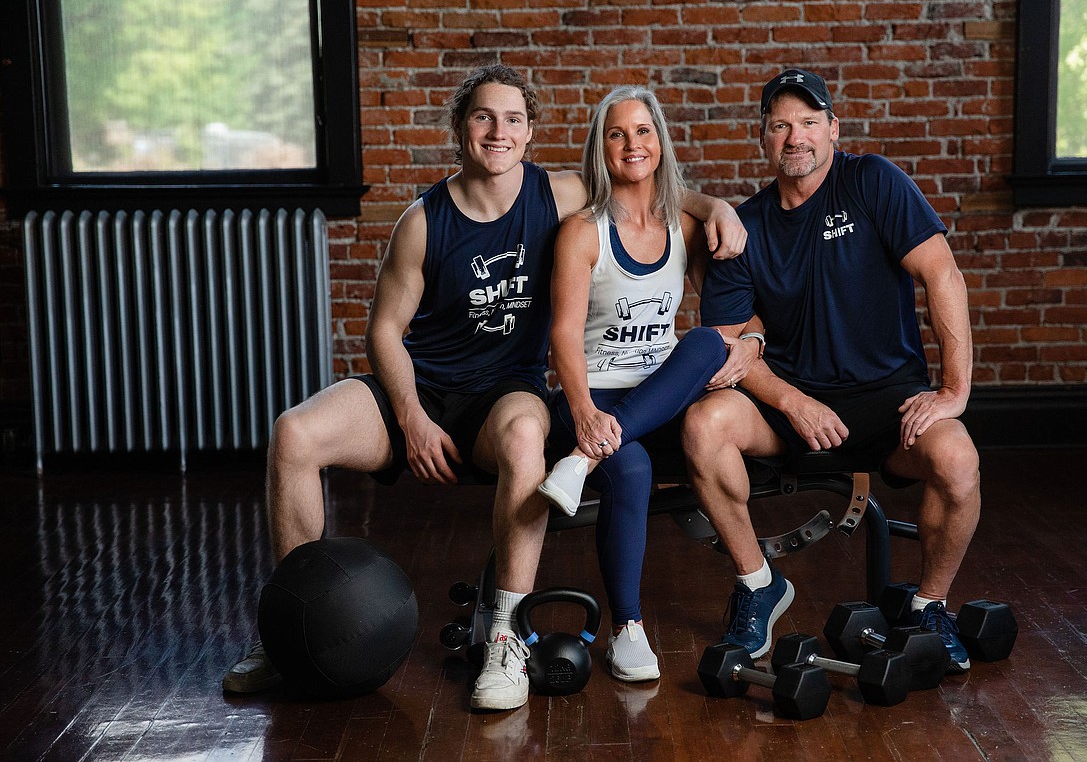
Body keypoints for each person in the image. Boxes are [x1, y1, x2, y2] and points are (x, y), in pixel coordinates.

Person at [221, 64, 746, 711]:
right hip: (421, 389)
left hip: (504, 392)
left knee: (528, 435)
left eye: (514, 119)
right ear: (460, 130)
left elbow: (648, 177)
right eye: (483, 117)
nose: (499, 131)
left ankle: (505, 635)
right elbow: (385, 330)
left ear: (529, 134)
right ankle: (285, 634)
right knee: (293, 432)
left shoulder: (555, 194)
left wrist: (715, 205)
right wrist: (410, 416)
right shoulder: (422, 219)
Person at [683, 68, 981, 673]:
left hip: (887, 401)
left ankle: (928, 605)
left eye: (810, 123)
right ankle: (757, 583)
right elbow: (729, 345)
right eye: (781, 125)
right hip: (790, 402)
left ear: (833, 129)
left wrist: (953, 391)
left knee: (957, 460)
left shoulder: (872, 182)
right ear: (763, 137)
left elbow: (942, 275)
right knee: (703, 424)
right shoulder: (748, 226)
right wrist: (792, 401)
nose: (797, 137)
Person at [537, 86, 759, 682]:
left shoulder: (686, 228)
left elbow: (740, 314)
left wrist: (718, 210)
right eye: (617, 133)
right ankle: (628, 629)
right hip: (591, 401)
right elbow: (561, 335)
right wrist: (583, 414)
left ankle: (581, 464)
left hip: (655, 399)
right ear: (600, 148)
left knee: (710, 341)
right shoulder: (584, 231)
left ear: (659, 143)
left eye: (642, 131)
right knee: (630, 468)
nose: (631, 144)